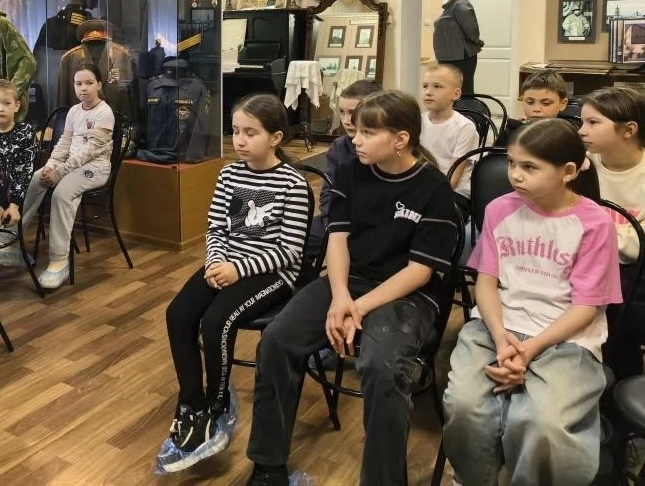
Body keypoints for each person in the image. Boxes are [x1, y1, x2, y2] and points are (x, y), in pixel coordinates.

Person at [243, 90, 458, 486]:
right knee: (277, 340)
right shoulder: (350, 171)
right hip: (348, 280)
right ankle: (268, 464)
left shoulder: (434, 188)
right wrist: (340, 297)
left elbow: (419, 272)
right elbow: (338, 239)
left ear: (401, 139)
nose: (355, 139)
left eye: (367, 133)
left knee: (381, 366)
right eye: (356, 130)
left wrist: (357, 308)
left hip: (407, 294)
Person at [442, 119, 621, 485]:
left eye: (529, 167)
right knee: (465, 406)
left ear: (568, 172)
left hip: (566, 337)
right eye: (512, 163)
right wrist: (501, 337)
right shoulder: (499, 209)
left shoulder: (595, 223)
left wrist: (530, 349)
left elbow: (585, 308)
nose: (515, 175)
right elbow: (486, 284)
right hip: (496, 325)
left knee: (543, 424)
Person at [158, 94, 311, 473]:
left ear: (275, 137)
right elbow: (216, 228)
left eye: (250, 133)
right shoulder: (229, 174)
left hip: (271, 273)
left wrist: (238, 270)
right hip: (226, 263)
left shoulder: (293, 183)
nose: (239, 140)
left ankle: (216, 404)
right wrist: (215, 262)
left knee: (217, 322)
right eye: (235, 131)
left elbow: (290, 251)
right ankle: (191, 401)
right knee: (178, 314)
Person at [20, 63, 113, 289]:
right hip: (70, 166)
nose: (83, 88)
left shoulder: (105, 112)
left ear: (99, 85)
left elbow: (90, 151)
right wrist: (51, 166)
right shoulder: (73, 111)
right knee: (37, 178)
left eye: (89, 83)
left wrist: (60, 172)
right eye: (78, 83)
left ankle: (59, 261)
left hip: (95, 168)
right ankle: (15, 241)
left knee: (61, 194)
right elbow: (64, 143)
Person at [580, 87, 645, 380]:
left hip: (632, 273)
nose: (582, 131)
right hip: (584, 264)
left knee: (622, 314)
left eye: (593, 123)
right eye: (582, 122)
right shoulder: (582, 167)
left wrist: (595, 235)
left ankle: (619, 387)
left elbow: (637, 248)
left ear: (629, 129)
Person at [311, 79, 382, 259]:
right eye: (341, 112)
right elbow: (328, 193)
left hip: (372, 225)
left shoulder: (384, 148)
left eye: (353, 113)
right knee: (296, 237)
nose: (346, 120)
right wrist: (333, 225)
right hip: (337, 218)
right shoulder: (339, 146)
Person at [0, 79, 36, 266]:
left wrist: (13, 204)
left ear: (16, 106)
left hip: (17, 192)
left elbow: (24, 171)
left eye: (6, 103)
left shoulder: (26, 132)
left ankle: (6, 247)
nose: (1, 108)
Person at [420, 63, 479, 201]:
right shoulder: (418, 121)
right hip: (424, 185)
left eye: (437, 86)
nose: (428, 92)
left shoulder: (465, 127)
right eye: (425, 86)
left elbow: (453, 179)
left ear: (456, 94)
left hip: (454, 192)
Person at [433, 0, 483, 95]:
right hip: (450, 57)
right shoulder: (451, 7)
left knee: (463, 91)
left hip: (460, 58)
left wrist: (477, 42)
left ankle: (466, 109)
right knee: (450, 92)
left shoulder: (461, 5)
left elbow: (472, 29)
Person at [495, 70, 569, 147]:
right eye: (530, 102)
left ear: (562, 104)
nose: (536, 109)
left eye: (546, 103)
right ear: (522, 100)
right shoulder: (510, 133)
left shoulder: (567, 137)